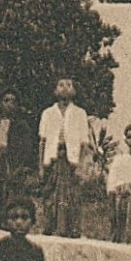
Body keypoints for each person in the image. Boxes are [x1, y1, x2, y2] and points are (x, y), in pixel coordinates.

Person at [38, 78, 92, 238]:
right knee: (51, 193)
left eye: (69, 85)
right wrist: (41, 166)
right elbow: (43, 141)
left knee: (71, 195)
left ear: (74, 91)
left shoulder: (80, 113)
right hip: (53, 158)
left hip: (71, 160)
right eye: (61, 85)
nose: (65, 89)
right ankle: (50, 226)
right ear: (55, 91)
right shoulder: (48, 113)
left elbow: (84, 143)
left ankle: (70, 228)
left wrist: (81, 165)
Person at [0, 90, 39, 229]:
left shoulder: (22, 126)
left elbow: (26, 150)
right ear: (0, 104)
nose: (9, 104)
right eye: (6, 100)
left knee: (12, 198)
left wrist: (18, 167)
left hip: (14, 169)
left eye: (13, 101)